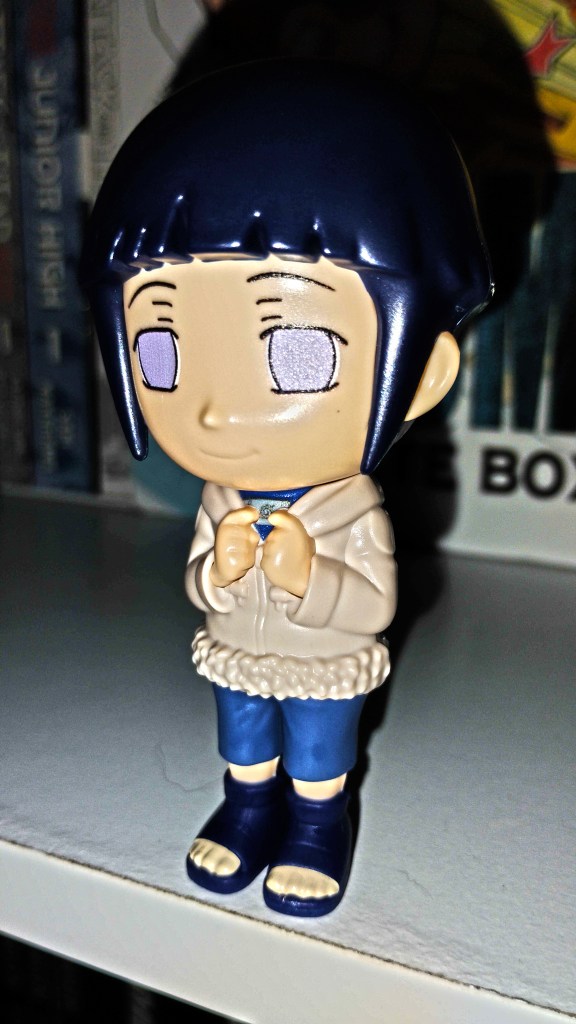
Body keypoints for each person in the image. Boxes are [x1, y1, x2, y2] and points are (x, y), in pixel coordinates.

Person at [82, 60, 492, 916]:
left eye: (296, 352)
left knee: (317, 744)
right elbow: (197, 582)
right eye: (160, 351)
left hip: (323, 664)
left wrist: (310, 579)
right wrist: (219, 571)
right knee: (243, 734)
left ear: (424, 373)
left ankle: (316, 823)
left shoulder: (351, 509)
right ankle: (246, 807)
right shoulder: (222, 499)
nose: (215, 410)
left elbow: (374, 602)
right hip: (239, 651)